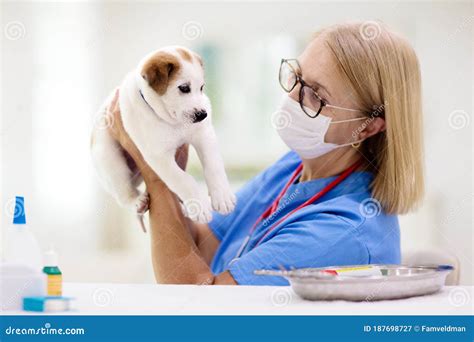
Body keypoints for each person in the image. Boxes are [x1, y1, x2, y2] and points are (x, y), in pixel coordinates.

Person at [107, 22, 424, 285]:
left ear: (367, 127)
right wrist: (169, 158)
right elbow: (202, 244)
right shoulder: (294, 168)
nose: (292, 96)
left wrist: (154, 170)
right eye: (296, 76)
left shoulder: (342, 232)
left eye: (315, 95)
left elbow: (197, 306)